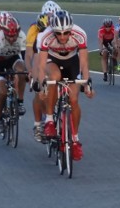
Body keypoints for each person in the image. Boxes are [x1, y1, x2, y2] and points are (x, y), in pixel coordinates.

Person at [34, 10, 94, 161]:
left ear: (71, 29)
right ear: (53, 31)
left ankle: (74, 140)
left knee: (73, 100)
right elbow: (41, 66)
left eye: (66, 33)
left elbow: (84, 64)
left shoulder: (80, 34)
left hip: (71, 61)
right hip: (52, 61)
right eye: (58, 33)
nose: (62, 37)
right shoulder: (45, 36)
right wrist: (43, 86)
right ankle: (49, 120)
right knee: (54, 77)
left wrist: (87, 84)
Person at [27, 0, 62, 142]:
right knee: (39, 88)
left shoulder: (61, 26)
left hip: (54, 57)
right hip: (38, 56)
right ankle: (38, 124)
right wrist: (30, 70)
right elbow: (30, 51)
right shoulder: (34, 28)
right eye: (47, 17)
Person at [0, 15, 28, 134]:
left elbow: (24, 56)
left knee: (22, 71)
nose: (11, 39)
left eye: (14, 36)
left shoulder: (22, 36)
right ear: (4, 33)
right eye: (9, 36)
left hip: (13, 59)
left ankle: (20, 102)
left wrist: (26, 73)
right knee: (2, 92)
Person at [98, 17, 115, 82]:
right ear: (104, 26)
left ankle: (115, 61)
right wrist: (101, 50)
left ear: (111, 25)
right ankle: (105, 73)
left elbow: (116, 39)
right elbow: (100, 41)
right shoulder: (101, 30)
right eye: (106, 26)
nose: (108, 28)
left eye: (109, 26)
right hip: (104, 42)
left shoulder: (114, 29)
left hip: (112, 41)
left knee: (115, 49)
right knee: (104, 54)